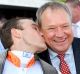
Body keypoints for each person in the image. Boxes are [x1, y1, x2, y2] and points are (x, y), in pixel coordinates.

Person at [36, 1, 80, 74]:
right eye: (51, 28)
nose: (60, 34)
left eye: (65, 26)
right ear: (40, 30)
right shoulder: (34, 58)